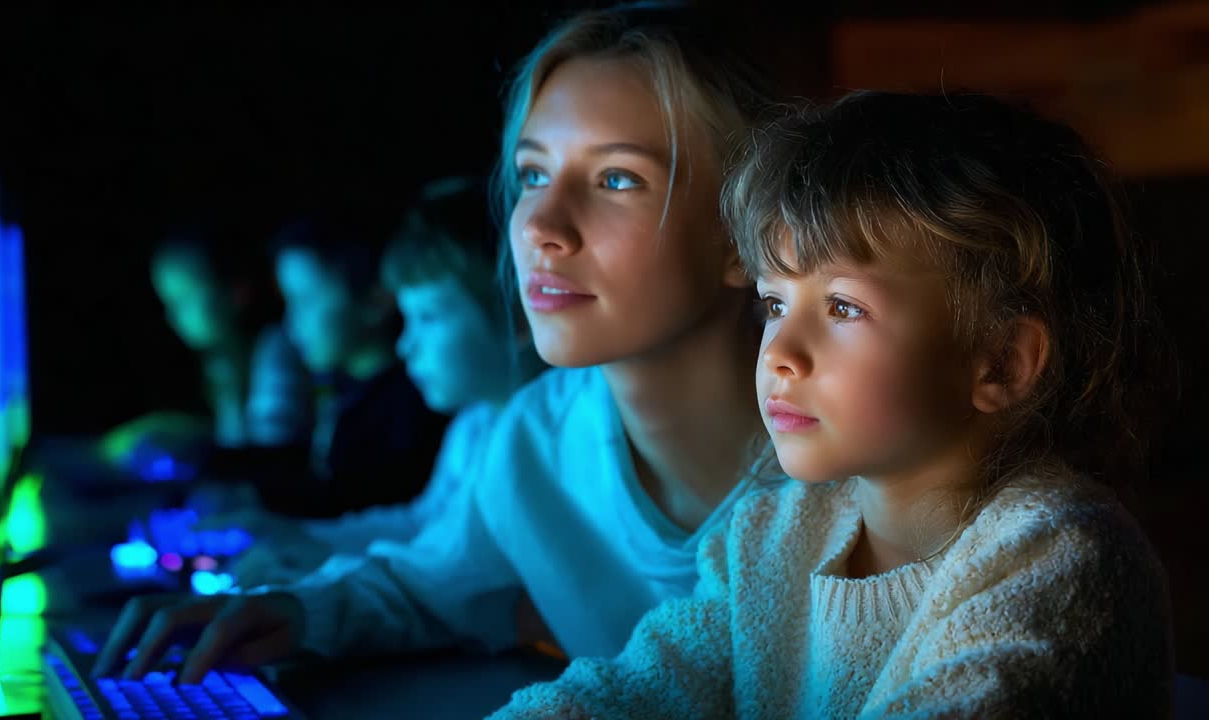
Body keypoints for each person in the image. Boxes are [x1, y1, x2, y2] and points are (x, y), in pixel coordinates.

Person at [92, 1, 783, 685]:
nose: (540, 224)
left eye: (616, 179)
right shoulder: (533, 441)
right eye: (534, 174)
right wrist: (292, 612)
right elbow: (429, 583)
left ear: (740, 236)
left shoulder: (845, 465)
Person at [493, 91, 1175, 718]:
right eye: (774, 303)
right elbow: (633, 691)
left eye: (843, 307)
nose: (779, 352)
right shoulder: (772, 537)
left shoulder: (1060, 561)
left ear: (1000, 362)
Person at [211, 176, 545, 586]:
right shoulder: (474, 424)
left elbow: (458, 572)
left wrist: (315, 578)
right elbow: (422, 522)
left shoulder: (542, 438)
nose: (406, 345)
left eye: (428, 317)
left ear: (520, 315)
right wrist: (297, 536)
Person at [202, 212, 449, 517]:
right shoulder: (343, 390)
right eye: (288, 302)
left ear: (375, 299)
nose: (292, 323)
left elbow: (352, 502)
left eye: (305, 300)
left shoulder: (414, 405)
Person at [102, 224, 313, 475]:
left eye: (185, 299)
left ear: (236, 292)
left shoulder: (276, 352)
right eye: (169, 302)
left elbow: (268, 456)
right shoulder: (222, 366)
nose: (173, 315)